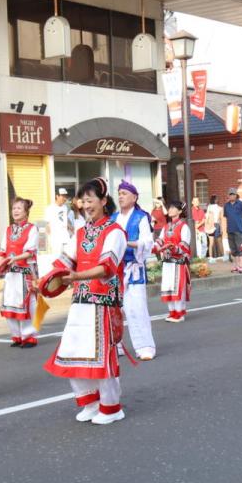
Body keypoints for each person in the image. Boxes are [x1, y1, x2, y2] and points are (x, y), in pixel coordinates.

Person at [43, 178, 129, 425]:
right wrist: (48, 279)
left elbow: (107, 266)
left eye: (91, 200)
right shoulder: (81, 232)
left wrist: (76, 276)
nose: (86, 205)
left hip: (103, 301)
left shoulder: (115, 232)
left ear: (104, 202)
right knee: (74, 351)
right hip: (81, 301)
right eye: (83, 200)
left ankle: (112, 407)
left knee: (101, 356)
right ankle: (90, 402)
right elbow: (66, 260)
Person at [112, 181, 156, 361]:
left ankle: (144, 346)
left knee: (136, 308)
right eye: (119, 193)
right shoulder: (113, 217)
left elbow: (147, 241)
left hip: (133, 268)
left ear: (134, 197)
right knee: (114, 309)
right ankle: (117, 345)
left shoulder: (140, 217)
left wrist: (127, 243)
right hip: (115, 269)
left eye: (124, 193)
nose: (121, 196)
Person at [0, 197, 40, 347]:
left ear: (26, 212)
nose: (15, 211)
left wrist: (12, 259)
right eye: (14, 208)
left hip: (25, 272)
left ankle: (29, 336)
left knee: (27, 304)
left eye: (19, 208)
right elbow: (2, 250)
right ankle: (16, 335)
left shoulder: (32, 228)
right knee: (9, 302)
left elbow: (29, 252)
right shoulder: (8, 230)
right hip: (11, 272)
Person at [153, 199, 192, 322]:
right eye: (169, 207)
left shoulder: (184, 226)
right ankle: (172, 312)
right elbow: (160, 240)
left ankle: (179, 313)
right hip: (167, 261)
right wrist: (155, 246)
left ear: (180, 211)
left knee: (177, 286)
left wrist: (173, 247)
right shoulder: (166, 226)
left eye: (173, 208)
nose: (170, 210)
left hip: (178, 262)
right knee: (168, 286)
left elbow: (185, 245)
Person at [223, 188, 242, 273]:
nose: (232, 196)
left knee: (240, 248)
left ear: (236, 195)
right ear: (228, 195)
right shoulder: (226, 205)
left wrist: (241, 223)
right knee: (233, 249)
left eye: (233, 194)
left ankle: (241, 266)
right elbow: (226, 217)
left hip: (239, 230)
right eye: (230, 194)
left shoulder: (240, 204)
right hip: (230, 229)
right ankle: (236, 266)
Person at [48, 187, 73, 258]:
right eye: (63, 196)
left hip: (65, 236)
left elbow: (65, 219)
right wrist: (50, 238)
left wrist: (71, 227)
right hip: (56, 238)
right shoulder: (50, 208)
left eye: (65, 196)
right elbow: (47, 224)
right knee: (57, 257)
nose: (65, 198)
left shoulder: (65, 207)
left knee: (67, 257)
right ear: (57, 196)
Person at [205, 195, 224, 259]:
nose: (218, 200)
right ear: (215, 200)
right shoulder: (220, 208)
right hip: (216, 224)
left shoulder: (209, 207)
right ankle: (222, 255)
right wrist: (221, 228)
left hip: (210, 225)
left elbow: (206, 217)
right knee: (219, 241)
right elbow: (220, 219)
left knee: (211, 242)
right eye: (217, 199)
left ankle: (211, 256)